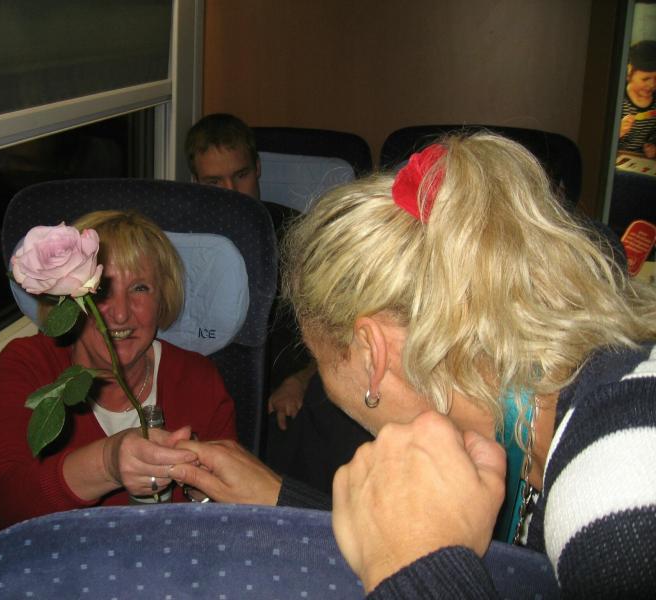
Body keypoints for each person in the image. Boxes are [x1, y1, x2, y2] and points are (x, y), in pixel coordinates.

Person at [169, 132, 656, 597]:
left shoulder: (621, 483)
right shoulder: (542, 418)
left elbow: (420, 565)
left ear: (373, 352)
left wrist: (407, 569)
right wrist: (281, 499)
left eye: (321, 361)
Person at [0, 209, 237, 535]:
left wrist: (201, 488)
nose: (121, 314)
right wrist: (107, 463)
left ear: (162, 298)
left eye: (140, 288)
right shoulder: (27, 364)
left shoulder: (199, 378)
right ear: (67, 300)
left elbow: (230, 523)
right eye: (101, 291)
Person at [185, 113, 372, 492]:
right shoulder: (183, 243)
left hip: (291, 389)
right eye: (214, 182)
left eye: (240, 175)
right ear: (196, 185)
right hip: (208, 386)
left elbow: (343, 331)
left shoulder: (299, 237)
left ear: (257, 168)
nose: (232, 191)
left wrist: (301, 379)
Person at [619, 40, 656, 157]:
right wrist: (618, 131)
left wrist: (653, 146)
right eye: (645, 79)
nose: (652, 85)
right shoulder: (619, 100)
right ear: (629, 73)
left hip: (642, 159)